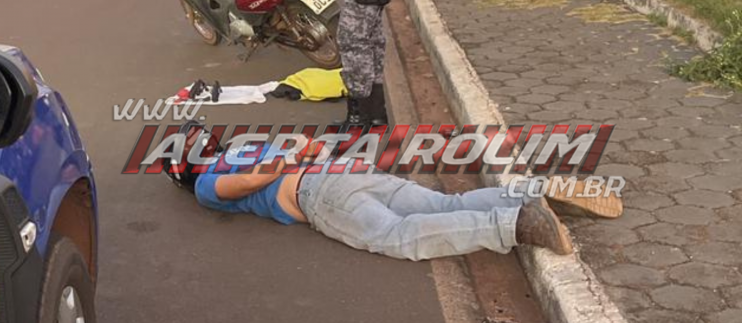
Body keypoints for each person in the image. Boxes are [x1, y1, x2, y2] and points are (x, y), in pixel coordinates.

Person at [167, 130, 620, 261]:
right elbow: (308, 147)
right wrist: (297, 153)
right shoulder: (244, 149)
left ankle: (516, 224)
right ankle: (533, 194)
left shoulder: (208, 181)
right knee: (445, 205)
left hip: (317, 193)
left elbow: (243, 185)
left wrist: (285, 164)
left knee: (398, 237)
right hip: (346, 172)